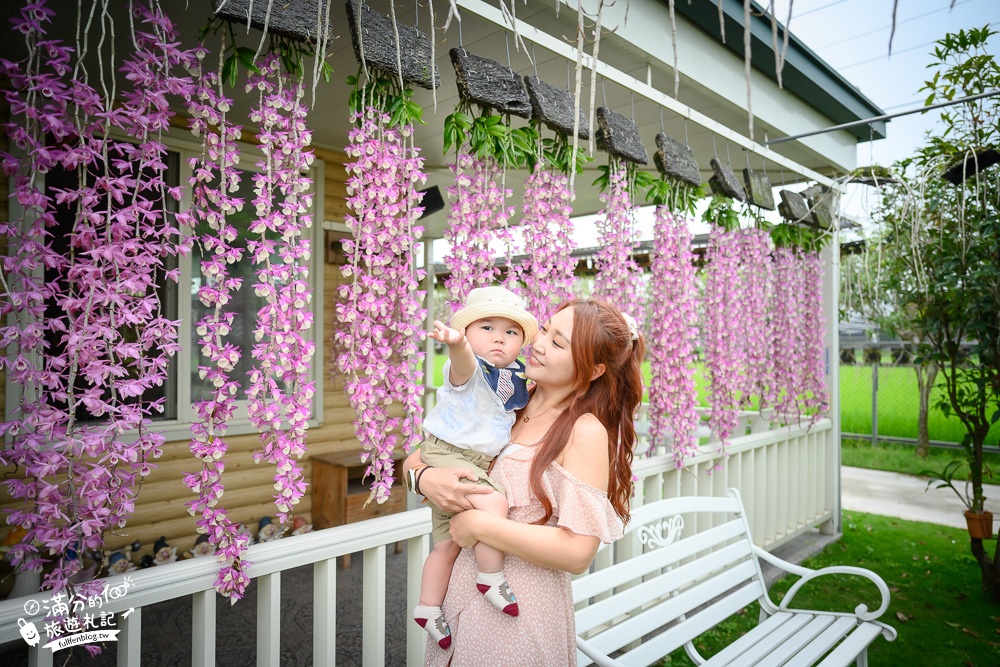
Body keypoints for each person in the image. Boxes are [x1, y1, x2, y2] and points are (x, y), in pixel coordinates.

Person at [405, 299, 644, 666]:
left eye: (559, 343)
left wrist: (480, 524)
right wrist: (424, 479)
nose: (541, 344)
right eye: (545, 330)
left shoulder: (584, 429)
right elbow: (423, 455)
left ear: (594, 370)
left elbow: (578, 551)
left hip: (517, 611)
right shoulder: (509, 402)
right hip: (458, 592)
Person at [407, 286, 539, 649]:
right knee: (494, 502)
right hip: (451, 453)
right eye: (487, 328)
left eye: (511, 332)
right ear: (467, 333)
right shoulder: (466, 368)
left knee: (444, 546)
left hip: (466, 459)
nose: (499, 338)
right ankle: (490, 577)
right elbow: (464, 364)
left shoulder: (513, 376)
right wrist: (456, 344)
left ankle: (428, 607)